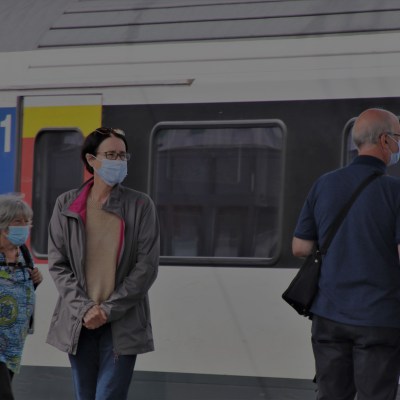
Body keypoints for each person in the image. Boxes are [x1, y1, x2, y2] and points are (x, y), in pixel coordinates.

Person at [292, 108, 400, 400]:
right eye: (398, 138)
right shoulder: (395, 191)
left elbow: (299, 247)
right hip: (378, 318)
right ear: (385, 140)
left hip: (328, 316)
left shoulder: (324, 184)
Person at [46, 127, 159, 400]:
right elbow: (58, 264)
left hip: (121, 322)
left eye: (122, 155)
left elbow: (146, 267)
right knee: (85, 395)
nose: (118, 161)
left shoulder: (140, 205)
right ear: (91, 159)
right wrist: (85, 309)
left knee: (109, 395)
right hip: (80, 322)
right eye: (111, 155)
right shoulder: (66, 204)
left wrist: (107, 310)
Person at [0, 194, 43, 400]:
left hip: (13, 344)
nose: (24, 226)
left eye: (27, 221)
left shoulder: (24, 255)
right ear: (3, 225)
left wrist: (35, 281)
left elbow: (20, 290)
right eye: (18, 221)